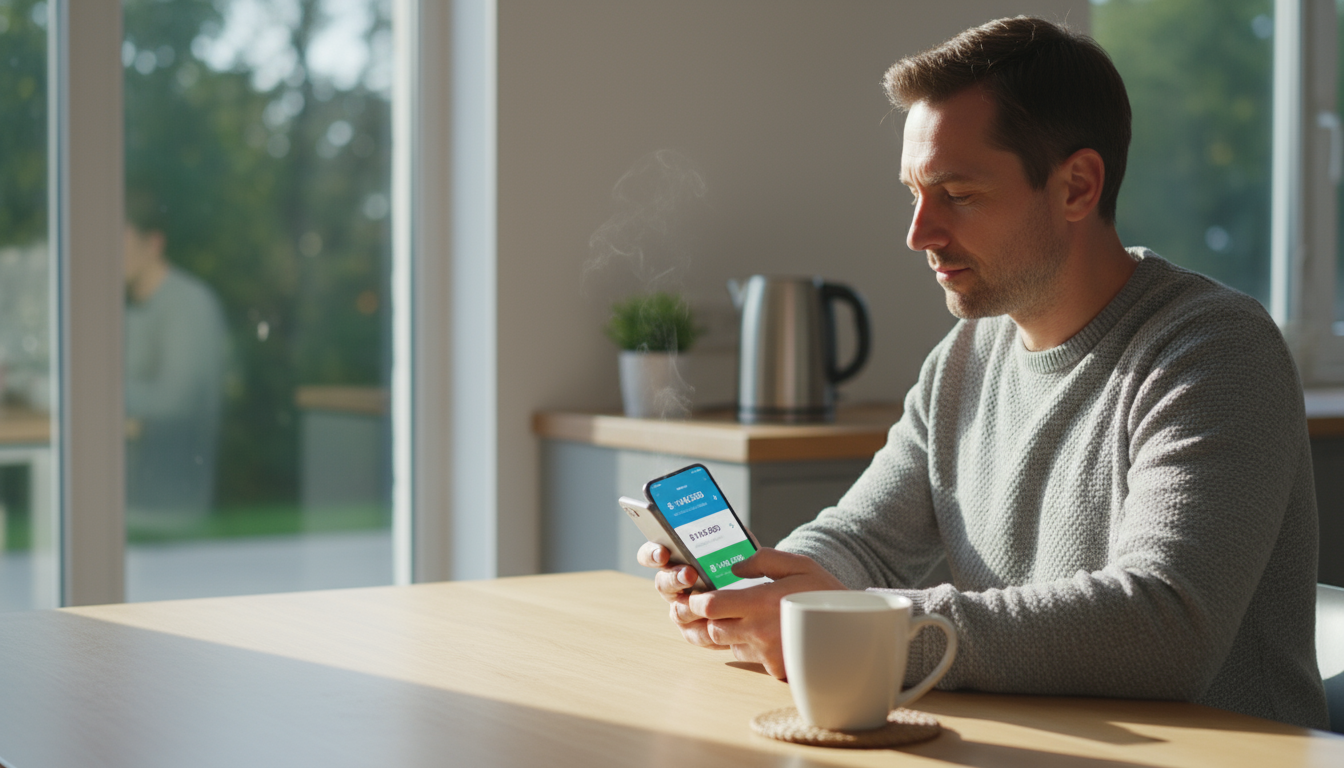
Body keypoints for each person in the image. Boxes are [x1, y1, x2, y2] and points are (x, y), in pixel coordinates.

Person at [638, 17, 1328, 729]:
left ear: (1077, 187)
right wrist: (760, 596)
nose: (919, 233)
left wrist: (853, 625)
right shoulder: (965, 359)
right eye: (914, 192)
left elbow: (1164, 626)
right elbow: (862, 542)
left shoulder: (1213, 350)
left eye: (958, 194)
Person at [124, 188, 229, 531]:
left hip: (165, 511)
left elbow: (175, 400)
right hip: (124, 500)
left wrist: (92, 393)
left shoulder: (188, 304)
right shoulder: (127, 308)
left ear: (152, 244)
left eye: (118, 241)